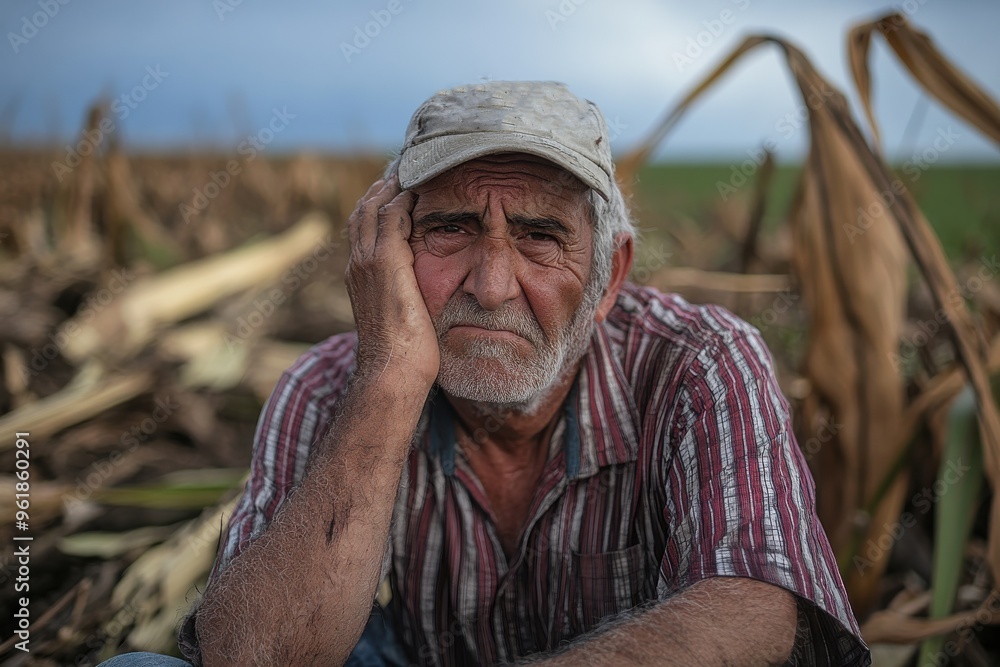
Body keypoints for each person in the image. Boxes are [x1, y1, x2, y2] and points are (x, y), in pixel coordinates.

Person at [103, 81, 870, 666]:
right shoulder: (326, 385)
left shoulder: (700, 363)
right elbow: (247, 653)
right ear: (387, 251)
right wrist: (390, 378)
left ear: (609, 276)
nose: (493, 284)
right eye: (450, 228)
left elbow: (755, 605)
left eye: (540, 236)